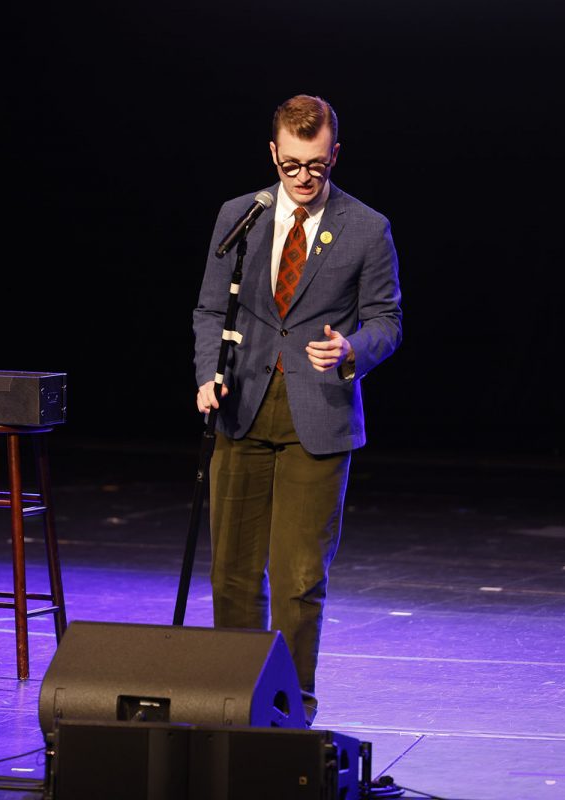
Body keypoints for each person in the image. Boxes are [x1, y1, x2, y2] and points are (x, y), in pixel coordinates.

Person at [193, 94, 402, 725]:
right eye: (291, 165)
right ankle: (232, 701)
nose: (304, 177)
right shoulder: (242, 216)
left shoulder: (366, 227)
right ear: (273, 154)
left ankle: (289, 707)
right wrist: (206, 376)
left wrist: (351, 349)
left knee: (298, 578)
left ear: (335, 155)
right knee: (232, 573)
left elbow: (387, 322)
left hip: (319, 415)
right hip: (241, 408)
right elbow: (210, 309)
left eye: (316, 164)